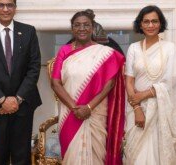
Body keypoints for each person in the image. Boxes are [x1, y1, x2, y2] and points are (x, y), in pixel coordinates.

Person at [50, 10, 125, 165]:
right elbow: (55, 83)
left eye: (86, 25)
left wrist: (89, 107)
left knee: (97, 155)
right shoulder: (64, 51)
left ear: (92, 28)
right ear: (72, 29)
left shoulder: (105, 53)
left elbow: (109, 85)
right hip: (70, 113)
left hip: (96, 113)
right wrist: (75, 108)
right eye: (77, 25)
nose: (82, 28)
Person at [0, 0, 42, 164]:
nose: (5, 9)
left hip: (23, 104)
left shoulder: (28, 32)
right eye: (0, 5)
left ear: (15, 8)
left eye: (10, 5)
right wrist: (2, 100)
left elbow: (34, 68)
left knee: (22, 155)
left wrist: (16, 99)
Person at [123, 5, 176, 165]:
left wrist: (143, 95)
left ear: (161, 24)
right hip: (136, 107)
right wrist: (137, 108)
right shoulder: (133, 48)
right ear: (140, 24)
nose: (150, 25)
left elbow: (171, 80)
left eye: (154, 21)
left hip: (162, 109)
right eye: (146, 21)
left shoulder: (170, 48)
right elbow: (129, 81)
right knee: (136, 156)